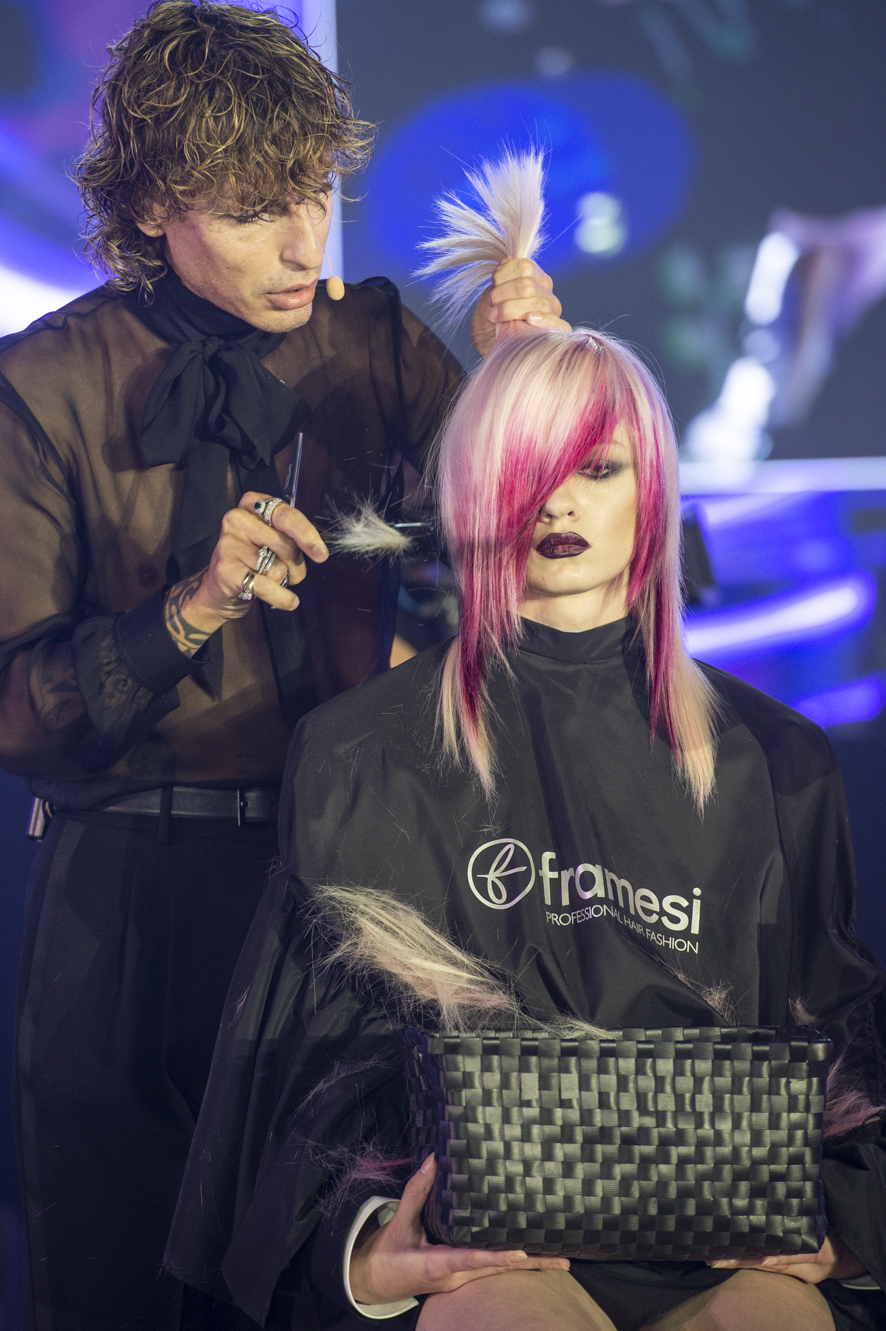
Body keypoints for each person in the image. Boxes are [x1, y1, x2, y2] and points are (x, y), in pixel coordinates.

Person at [0, 4, 566, 1327]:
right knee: (115, 1279)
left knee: (334, 1275)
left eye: (313, 194)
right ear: (153, 206)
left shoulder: (370, 340)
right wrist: (189, 609)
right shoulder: (44, 384)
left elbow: (512, 552)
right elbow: (15, 708)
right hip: (120, 896)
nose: (306, 241)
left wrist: (522, 381)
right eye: (257, 211)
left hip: (336, 880)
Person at [166, 326, 886, 1331]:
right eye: (527, 469)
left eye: (597, 467)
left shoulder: (776, 758)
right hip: (487, 1251)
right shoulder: (362, 751)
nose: (558, 501)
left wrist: (843, 1225)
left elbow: (840, 1034)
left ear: (652, 487)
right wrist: (370, 1251)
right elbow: (308, 1074)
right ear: (472, 491)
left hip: (725, 1248)